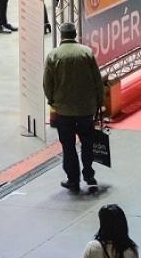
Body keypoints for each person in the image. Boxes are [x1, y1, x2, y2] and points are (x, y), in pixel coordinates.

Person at [44, 22, 105, 193]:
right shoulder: (86, 52)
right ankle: (89, 174)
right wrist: (99, 102)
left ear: (62, 36)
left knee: (68, 146)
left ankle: (73, 179)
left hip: (63, 111)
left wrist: (53, 101)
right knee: (87, 142)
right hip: (86, 109)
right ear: (75, 34)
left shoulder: (53, 55)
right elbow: (97, 80)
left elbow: (47, 84)